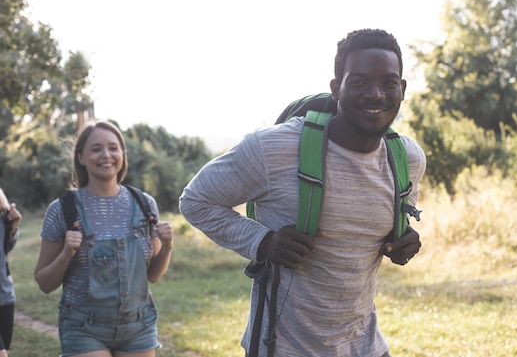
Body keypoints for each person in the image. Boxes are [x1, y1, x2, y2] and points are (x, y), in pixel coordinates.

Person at [179, 28, 427, 357]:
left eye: (388, 82)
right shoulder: (274, 149)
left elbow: (396, 220)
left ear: (402, 89)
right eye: (359, 82)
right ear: (336, 89)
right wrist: (264, 242)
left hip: (365, 346)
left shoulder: (407, 159)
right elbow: (195, 201)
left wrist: (404, 239)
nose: (376, 94)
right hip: (283, 347)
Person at [34, 120, 174, 357]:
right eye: (96, 148)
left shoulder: (144, 203)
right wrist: (66, 253)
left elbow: (152, 276)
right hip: (83, 327)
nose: (106, 155)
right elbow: (44, 283)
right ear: (80, 157)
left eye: (113, 147)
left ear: (122, 154)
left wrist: (168, 246)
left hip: (138, 325)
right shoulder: (62, 209)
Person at [0, 187, 22, 357]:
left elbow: (4, 252)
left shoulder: (2, 213)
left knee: (5, 348)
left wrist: (12, 227)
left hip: (4, 294)